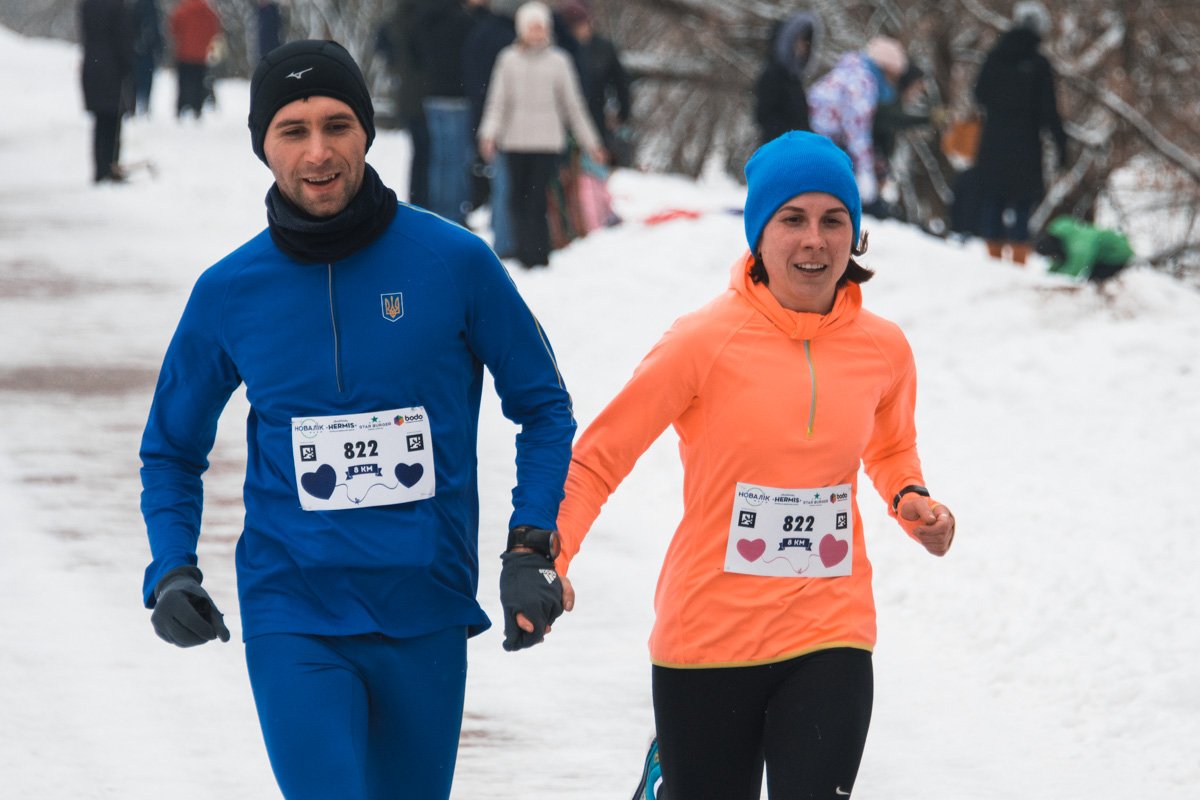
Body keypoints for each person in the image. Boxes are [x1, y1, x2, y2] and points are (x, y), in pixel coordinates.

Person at [139, 39, 576, 800]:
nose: (319, 152)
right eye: (293, 130)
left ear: (368, 133)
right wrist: (171, 567)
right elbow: (172, 449)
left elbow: (543, 406)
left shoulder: (454, 262)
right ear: (263, 147)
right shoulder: (230, 292)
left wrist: (529, 542)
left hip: (424, 606)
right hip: (292, 607)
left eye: (338, 125)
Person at [553, 131, 956, 799]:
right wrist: (552, 557)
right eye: (792, 219)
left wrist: (910, 497)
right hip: (708, 637)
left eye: (834, 221)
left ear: (855, 237)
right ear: (758, 234)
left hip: (831, 628)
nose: (814, 240)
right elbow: (599, 458)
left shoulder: (883, 349)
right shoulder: (701, 342)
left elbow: (888, 447)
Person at [477, 1, 604, 268]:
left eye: (541, 27)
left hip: (546, 142)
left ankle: (538, 253)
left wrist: (591, 143)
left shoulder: (559, 61)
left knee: (537, 199)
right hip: (514, 141)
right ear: (522, 29)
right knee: (516, 198)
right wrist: (489, 133)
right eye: (532, 28)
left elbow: (574, 105)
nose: (537, 33)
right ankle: (522, 251)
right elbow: (497, 101)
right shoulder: (508, 59)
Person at [973, 0, 1067, 264]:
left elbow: (979, 94)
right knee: (1023, 201)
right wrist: (1061, 145)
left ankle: (991, 259)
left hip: (993, 139)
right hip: (1026, 142)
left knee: (994, 197)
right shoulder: (1039, 63)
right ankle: (1017, 260)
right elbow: (1049, 110)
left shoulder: (995, 56)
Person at [808, 35, 909, 218]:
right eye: (893, 76)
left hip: (813, 139)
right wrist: (865, 175)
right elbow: (857, 133)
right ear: (884, 68)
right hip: (820, 143)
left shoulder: (851, 71)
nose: (893, 83)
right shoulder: (863, 82)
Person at [462, 0, 523, 256]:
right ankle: (507, 239)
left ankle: (504, 236)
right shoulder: (508, 40)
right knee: (507, 181)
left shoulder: (480, 31)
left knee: (501, 180)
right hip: (505, 115)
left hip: (482, 109)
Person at [414, 0, 476, 224]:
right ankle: (453, 214)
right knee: (455, 159)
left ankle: (439, 211)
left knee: (439, 159)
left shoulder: (423, 18)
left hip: (432, 94)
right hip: (456, 96)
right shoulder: (463, 20)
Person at [79, 0, 134, 183]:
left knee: (100, 121)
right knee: (113, 121)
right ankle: (110, 166)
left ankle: (100, 167)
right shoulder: (118, 7)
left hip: (92, 66)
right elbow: (123, 39)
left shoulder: (88, 5)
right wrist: (128, 65)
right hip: (112, 69)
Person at [753, 11, 820, 146]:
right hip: (779, 150)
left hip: (795, 148)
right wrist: (791, 138)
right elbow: (764, 116)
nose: (803, 48)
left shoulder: (794, 79)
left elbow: (801, 119)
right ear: (790, 40)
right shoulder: (774, 74)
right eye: (801, 41)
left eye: (807, 44)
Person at [1035, 215, 1134, 283]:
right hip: (1102, 253)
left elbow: (1073, 271)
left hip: (1116, 254)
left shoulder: (1079, 244)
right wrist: (1048, 276)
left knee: (1096, 283)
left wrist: (1054, 281)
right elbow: (1060, 261)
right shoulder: (1062, 236)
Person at [168, 0, 221, 119]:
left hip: (184, 53)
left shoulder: (182, 9)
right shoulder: (207, 10)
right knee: (199, 82)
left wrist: (180, 40)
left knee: (183, 82)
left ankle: (181, 107)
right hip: (201, 54)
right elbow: (214, 28)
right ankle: (197, 107)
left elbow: (173, 26)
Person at [131, 0, 163, 116]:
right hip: (146, 50)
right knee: (145, 77)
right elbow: (154, 26)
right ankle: (142, 102)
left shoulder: (135, 4)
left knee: (136, 77)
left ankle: (136, 102)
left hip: (136, 49)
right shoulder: (150, 5)